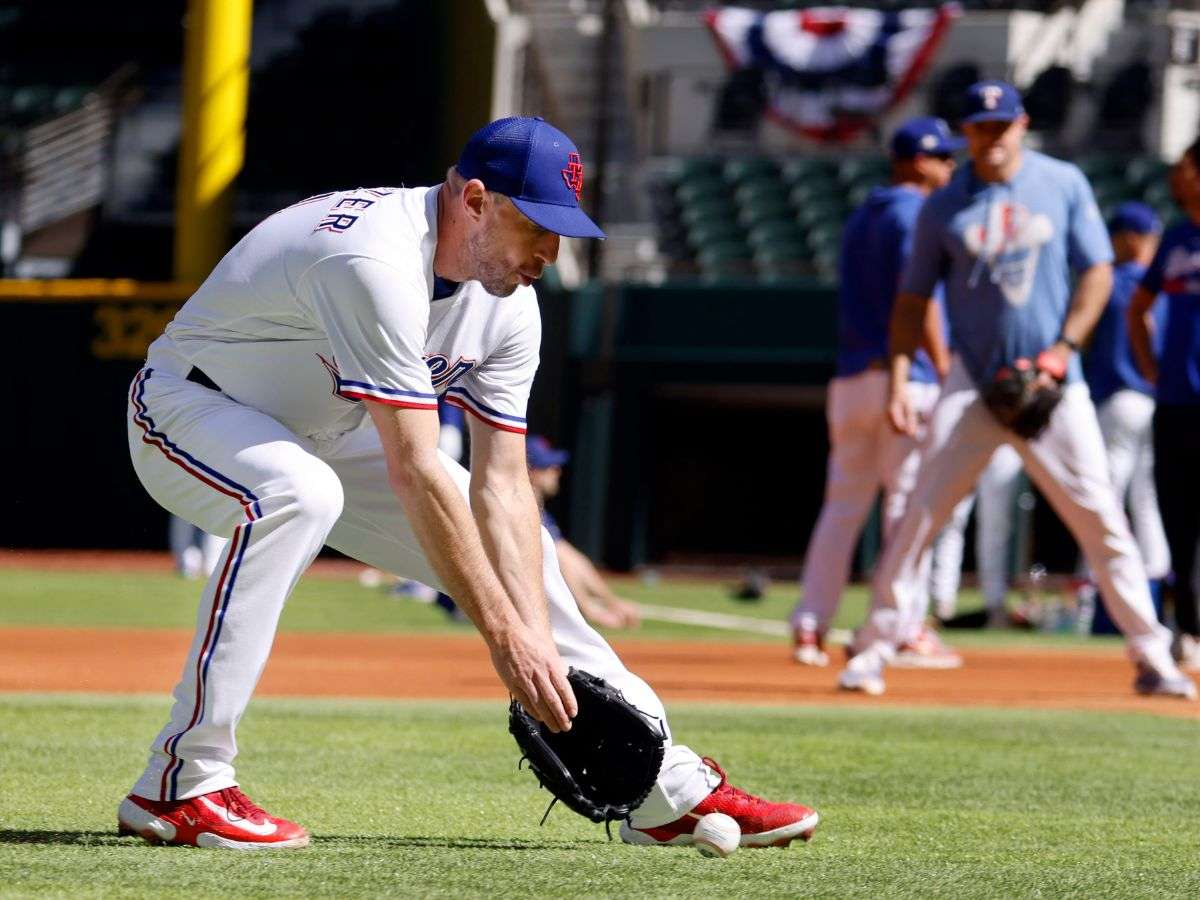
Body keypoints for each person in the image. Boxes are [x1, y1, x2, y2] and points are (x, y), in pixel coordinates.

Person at [118, 117, 818, 850]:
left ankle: (664, 793)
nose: (550, 253)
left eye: (563, 232)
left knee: (532, 560)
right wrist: (506, 639)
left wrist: (538, 635)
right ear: (476, 200)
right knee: (297, 495)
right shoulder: (372, 260)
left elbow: (506, 486)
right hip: (193, 407)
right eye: (536, 226)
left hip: (329, 431)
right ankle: (181, 779)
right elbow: (417, 469)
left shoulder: (509, 303)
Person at [836, 81, 1195, 699]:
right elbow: (912, 300)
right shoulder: (944, 204)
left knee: (1102, 520)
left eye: (1001, 125)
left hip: (1055, 386)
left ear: (1022, 124)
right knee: (919, 513)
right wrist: (900, 376)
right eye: (979, 126)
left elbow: (1098, 274)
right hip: (973, 383)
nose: (991, 136)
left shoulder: (1062, 184)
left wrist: (1063, 350)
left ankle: (1153, 655)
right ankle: (873, 647)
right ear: (966, 132)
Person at [789, 116, 960, 669]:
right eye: (943, 158)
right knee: (907, 508)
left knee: (842, 507)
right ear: (917, 161)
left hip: (851, 379)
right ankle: (903, 628)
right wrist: (943, 363)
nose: (951, 168)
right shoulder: (914, 212)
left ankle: (811, 624)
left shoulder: (865, 212)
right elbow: (920, 300)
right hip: (902, 378)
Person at [1080, 202, 1171, 628]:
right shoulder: (1164, 287)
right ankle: (1151, 601)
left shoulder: (1110, 283)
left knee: (1102, 500)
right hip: (1159, 400)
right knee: (1149, 502)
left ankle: (1092, 599)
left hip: (1117, 401)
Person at [1128, 146, 1200, 671]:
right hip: (1174, 401)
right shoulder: (1176, 237)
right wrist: (1151, 367)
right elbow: (1139, 306)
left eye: (1184, 169)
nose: (1176, 178)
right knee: (1177, 520)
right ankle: (1188, 628)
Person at [526, 435, 641, 630]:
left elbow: (571, 558)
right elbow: (558, 559)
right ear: (530, 471)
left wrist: (612, 602)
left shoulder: (539, 511)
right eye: (547, 466)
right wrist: (589, 610)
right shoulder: (519, 508)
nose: (557, 471)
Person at [929, 445, 1023, 626]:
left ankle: (995, 605)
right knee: (950, 521)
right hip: (962, 435)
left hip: (1004, 436)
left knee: (996, 526)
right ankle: (942, 602)